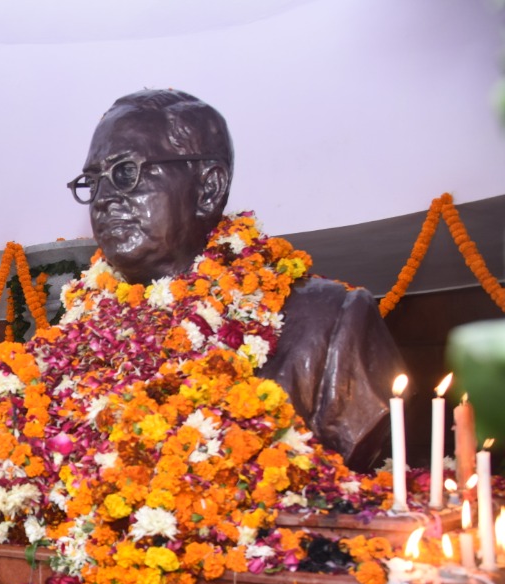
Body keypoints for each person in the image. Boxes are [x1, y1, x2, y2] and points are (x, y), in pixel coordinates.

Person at [71, 89, 405, 471]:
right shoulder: (78, 333)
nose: (102, 198)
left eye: (125, 172)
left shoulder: (333, 321)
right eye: (92, 180)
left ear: (209, 188)